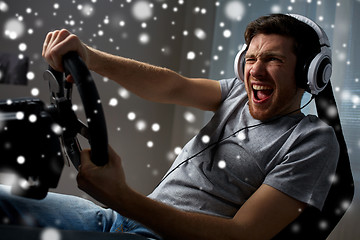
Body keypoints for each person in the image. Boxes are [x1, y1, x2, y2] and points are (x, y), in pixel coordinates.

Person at [0, 13, 339, 240]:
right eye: (251, 58)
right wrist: (90, 56)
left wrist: (120, 195)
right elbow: (170, 86)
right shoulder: (237, 91)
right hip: (118, 219)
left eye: (274, 60)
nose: (256, 71)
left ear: (309, 72)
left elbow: (241, 235)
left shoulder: (312, 140)